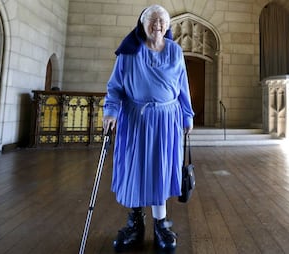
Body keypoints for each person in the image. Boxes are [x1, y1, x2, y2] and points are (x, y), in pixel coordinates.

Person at [103, 4, 194, 253]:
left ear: (168, 27)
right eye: (152, 21)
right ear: (142, 25)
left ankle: (161, 223)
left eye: (162, 22)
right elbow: (115, 87)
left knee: (161, 169)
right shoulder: (129, 52)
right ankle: (135, 222)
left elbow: (183, 87)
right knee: (135, 168)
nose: (157, 26)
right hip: (135, 119)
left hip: (166, 121)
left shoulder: (175, 51)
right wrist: (111, 111)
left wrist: (188, 115)